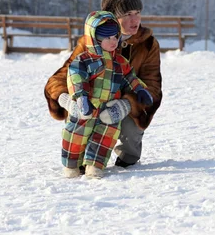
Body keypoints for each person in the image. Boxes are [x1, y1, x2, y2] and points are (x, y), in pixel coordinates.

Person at [45, 0, 162, 171]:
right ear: (112, 17)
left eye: (137, 12)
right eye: (127, 14)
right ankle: (81, 159)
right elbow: (61, 77)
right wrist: (67, 100)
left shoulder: (148, 44)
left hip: (124, 103)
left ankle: (128, 157)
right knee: (81, 114)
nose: (135, 20)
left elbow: (153, 86)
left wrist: (126, 105)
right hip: (93, 102)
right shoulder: (90, 42)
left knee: (131, 129)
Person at [60, 10, 153, 179]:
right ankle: (72, 165)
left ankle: (95, 165)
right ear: (95, 39)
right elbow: (75, 78)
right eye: (107, 38)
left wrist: (139, 89)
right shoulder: (83, 60)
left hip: (109, 108)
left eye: (115, 37)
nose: (113, 41)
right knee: (76, 134)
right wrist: (81, 97)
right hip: (87, 106)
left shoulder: (119, 62)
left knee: (105, 137)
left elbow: (129, 77)